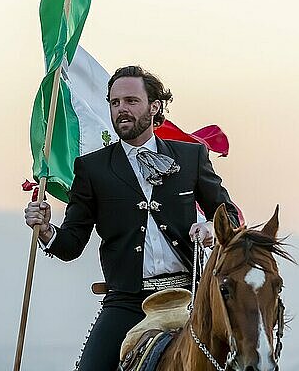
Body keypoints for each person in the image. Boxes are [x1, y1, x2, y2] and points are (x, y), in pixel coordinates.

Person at [24, 65, 240, 371]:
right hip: (126, 301)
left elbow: (229, 215)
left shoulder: (190, 157)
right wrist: (46, 230)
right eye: (114, 103)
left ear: (154, 107)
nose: (121, 109)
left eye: (131, 101)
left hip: (191, 297)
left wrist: (210, 228)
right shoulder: (91, 168)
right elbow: (70, 245)